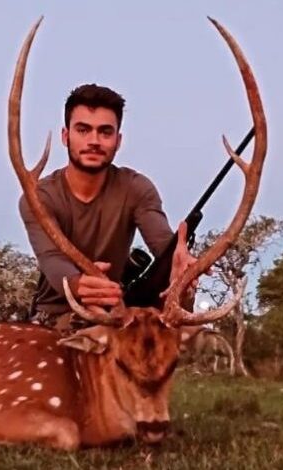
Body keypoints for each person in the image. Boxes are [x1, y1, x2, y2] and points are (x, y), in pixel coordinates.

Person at [19, 83, 197, 330]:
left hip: (115, 312)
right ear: (65, 136)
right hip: (55, 316)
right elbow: (52, 260)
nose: (94, 141)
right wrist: (77, 284)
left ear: (118, 140)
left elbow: (163, 244)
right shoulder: (39, 198)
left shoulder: (136, 188)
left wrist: (179, 265)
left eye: (105, 132)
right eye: (83, 130)